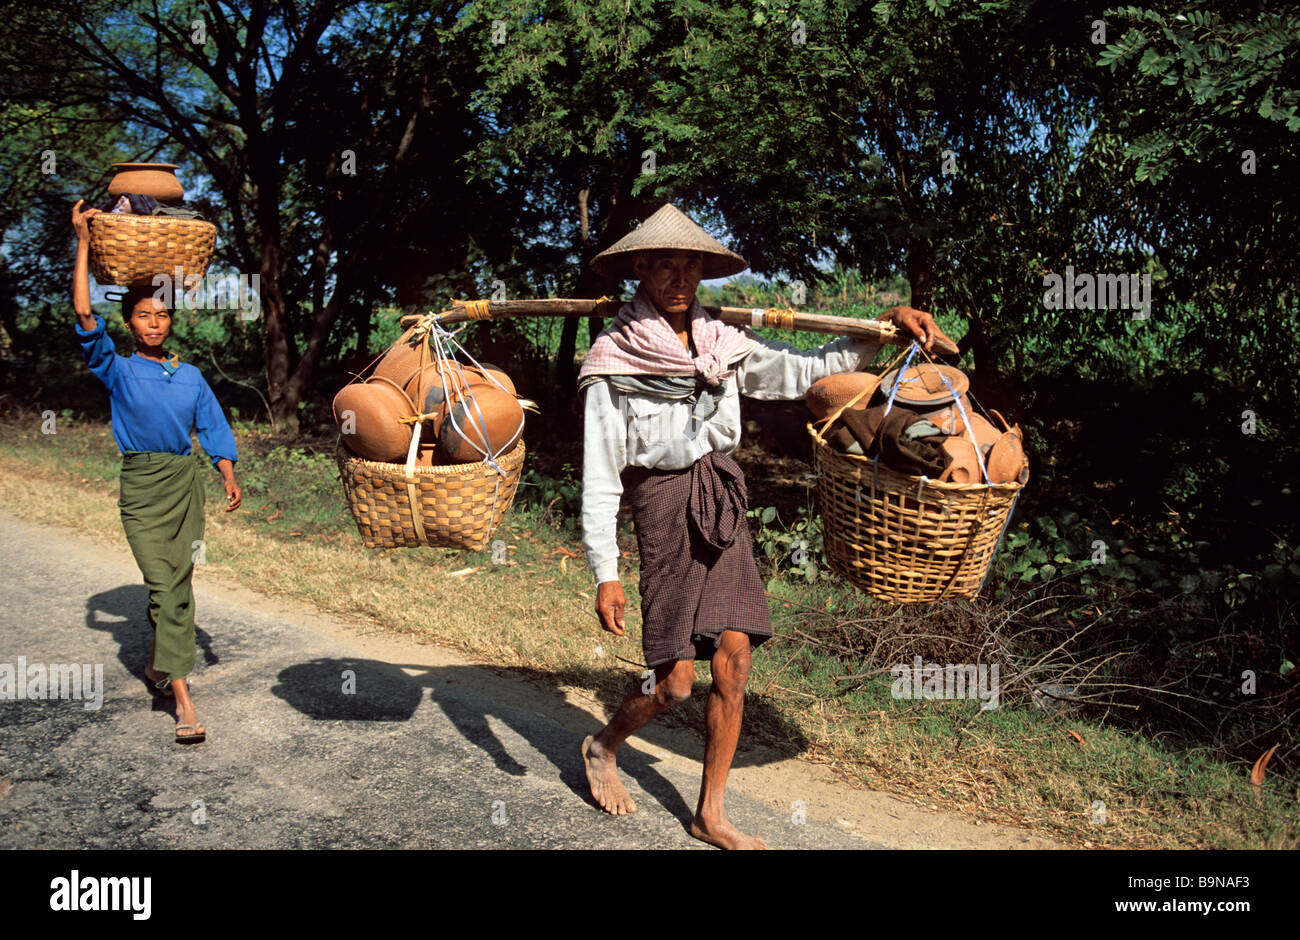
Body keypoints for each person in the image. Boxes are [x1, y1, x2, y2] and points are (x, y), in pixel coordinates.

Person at [577, 203, 954, 849]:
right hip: (660, 503)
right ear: (639, 267)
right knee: (674, 682)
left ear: (702, 270)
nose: (678, 276)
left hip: (718, 492)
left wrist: (881, 326)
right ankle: (603, 744)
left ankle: (710, 814)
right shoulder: (612, 361)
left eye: (689, 264)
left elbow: (806, 372)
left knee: (734, 657)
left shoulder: (725, 341)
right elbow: (602, 474)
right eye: (664, 263)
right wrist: (605, 572)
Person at [70, 199, 242, 745]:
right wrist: (82, 241)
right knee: (163, 585)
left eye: (162, 315)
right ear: (129, 323)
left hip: (185, 483)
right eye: (144, 315)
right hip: (141, 487)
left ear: (170, 321)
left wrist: (227, 473)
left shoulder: (189, 375)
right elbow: (82, 314)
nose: (153, 322)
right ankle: (183, 700)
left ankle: (158, 667)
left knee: (179, 585)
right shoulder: (116, 369)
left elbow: (212, 426)